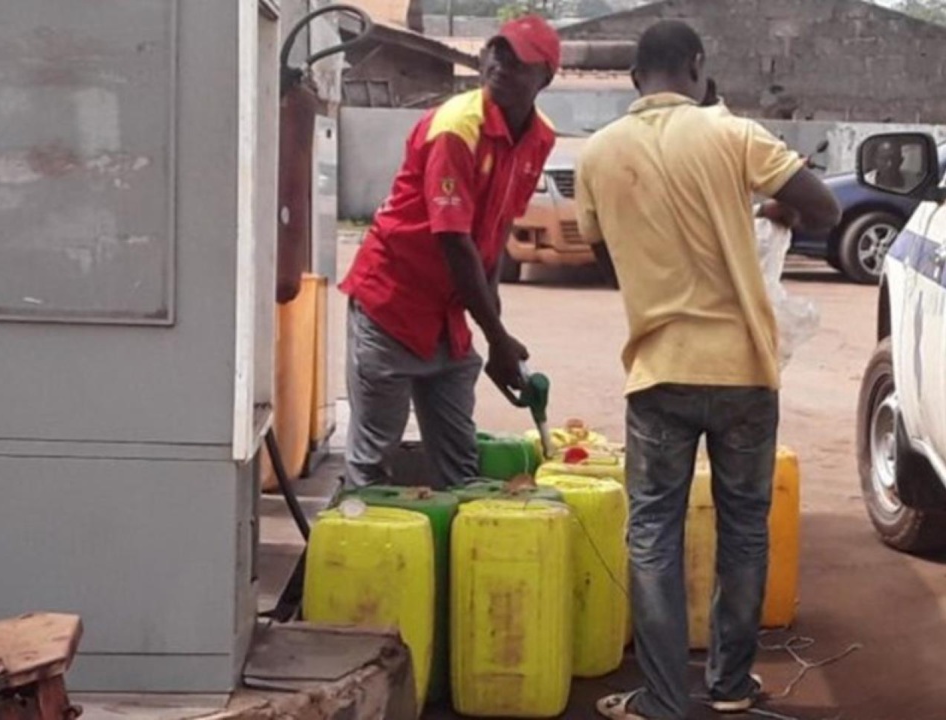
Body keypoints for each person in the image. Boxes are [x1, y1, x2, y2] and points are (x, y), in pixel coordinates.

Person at [575, 21, 840, 720]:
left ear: (634, 78)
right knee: (745, 528)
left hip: (660, 373)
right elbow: (825, 207)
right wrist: (768, 208)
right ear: (697, 67)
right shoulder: (734, 136)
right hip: (746, 372)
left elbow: (607, 263)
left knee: (654, 534)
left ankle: (663, 700)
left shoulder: (597, 155)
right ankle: (729, 687)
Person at [338, 16, 560, 490]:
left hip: (448, 320)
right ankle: (362, 558)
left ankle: (457, 559)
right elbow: (454, 241)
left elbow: (495, 233)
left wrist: (492, 318)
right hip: (392, 306)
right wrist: (496, 337)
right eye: (495, 51)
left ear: (545, 76)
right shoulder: (456, 129)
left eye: (516, 58)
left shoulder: (540, 138)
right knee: (374, 462)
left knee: (460, 465)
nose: (499, 63)